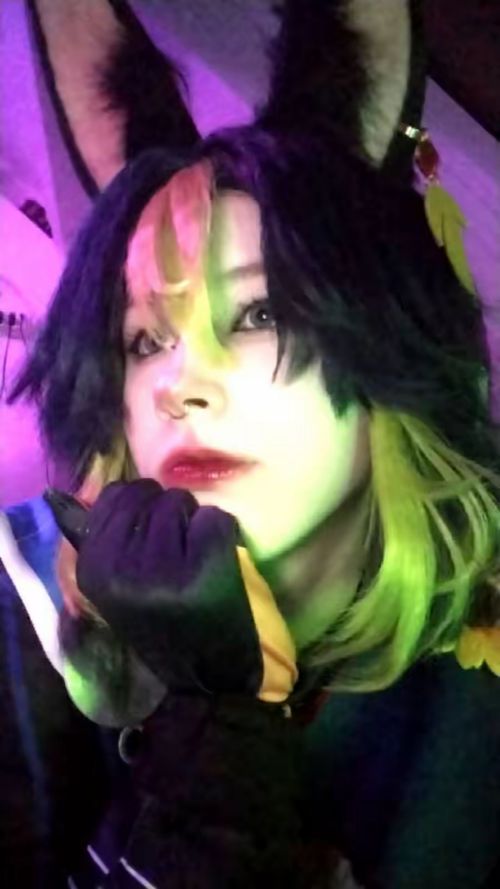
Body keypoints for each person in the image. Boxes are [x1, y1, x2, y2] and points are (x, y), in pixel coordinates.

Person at [2, 118, 500, 889]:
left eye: (260, 313)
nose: (180, 386)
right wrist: (217, 729)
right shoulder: (23, 612)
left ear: (387, 358)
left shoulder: (472, 698)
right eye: (145, 341)